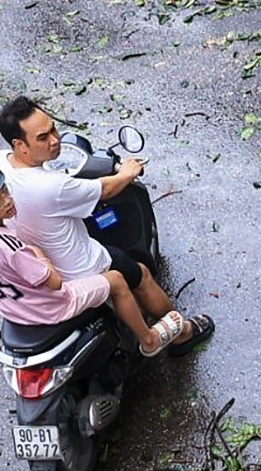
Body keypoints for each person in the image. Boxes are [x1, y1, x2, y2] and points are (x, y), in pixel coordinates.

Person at [0, 95, 213, 355]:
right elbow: (105, 189)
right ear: (20, 145)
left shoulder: (4, 164)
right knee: (139, 274)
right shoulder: (51, 187)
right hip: (79, 268)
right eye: (43, 138)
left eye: (53, 129)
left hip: (32, 274)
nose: (55, 140)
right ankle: (178, 335)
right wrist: (128, 172)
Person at [0, 176, 183, 353]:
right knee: (116, 280)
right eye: (0, 202)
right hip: (51, 307)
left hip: (15, 309)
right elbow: (54, 282)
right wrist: (38, 254)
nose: (8, 201)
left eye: (6, 192)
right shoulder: (13, 249)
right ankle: (149, 339)